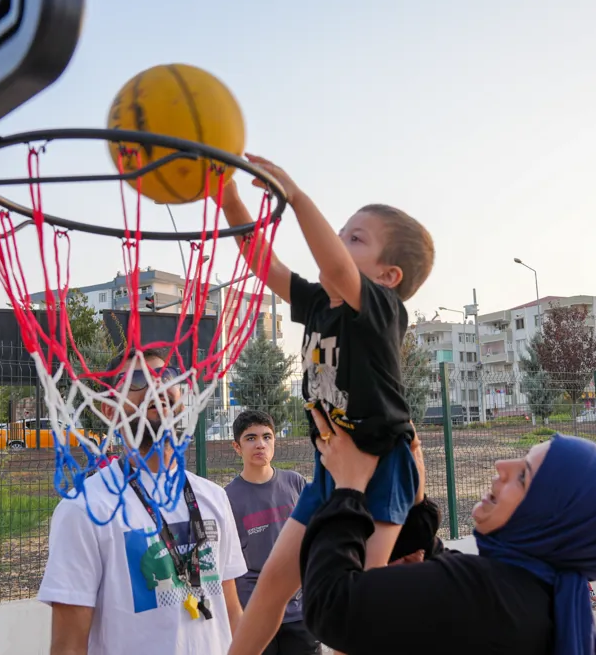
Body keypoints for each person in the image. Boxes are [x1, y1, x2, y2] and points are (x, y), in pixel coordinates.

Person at [219, 156, 435, 655]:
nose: (337, 242)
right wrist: (228, 196)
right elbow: (263, 264)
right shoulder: (320, 303)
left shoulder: (383, 310)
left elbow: (335, 264)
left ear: (388, 275)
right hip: (329, 471)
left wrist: (294, 195)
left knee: (357, 605)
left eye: (354, 238)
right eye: (339, 232)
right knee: (273, 585)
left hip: (383, 466)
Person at [298, 410, 596, 655]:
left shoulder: (486, 597)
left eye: (524, 476)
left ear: (550, 518)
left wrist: (348, 489)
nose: (502, 467)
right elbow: (447, 570)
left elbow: (331, 605)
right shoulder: (536, 597)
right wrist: (416, 504)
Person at [37, 348, 248, 655]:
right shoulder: (84, 509)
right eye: (137, 380)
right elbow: (69, 645)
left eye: (165, 377)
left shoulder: (213, 497)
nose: (156, 387)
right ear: (109, 408)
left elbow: (231, 613)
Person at [224, 410, 319, 655]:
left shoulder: (295, 483)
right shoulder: (226, 498)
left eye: (267, 437)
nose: (260, 444)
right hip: (254, 613)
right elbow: (227, 563)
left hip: (298, 612)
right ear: (237, 446)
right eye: (251, 438)